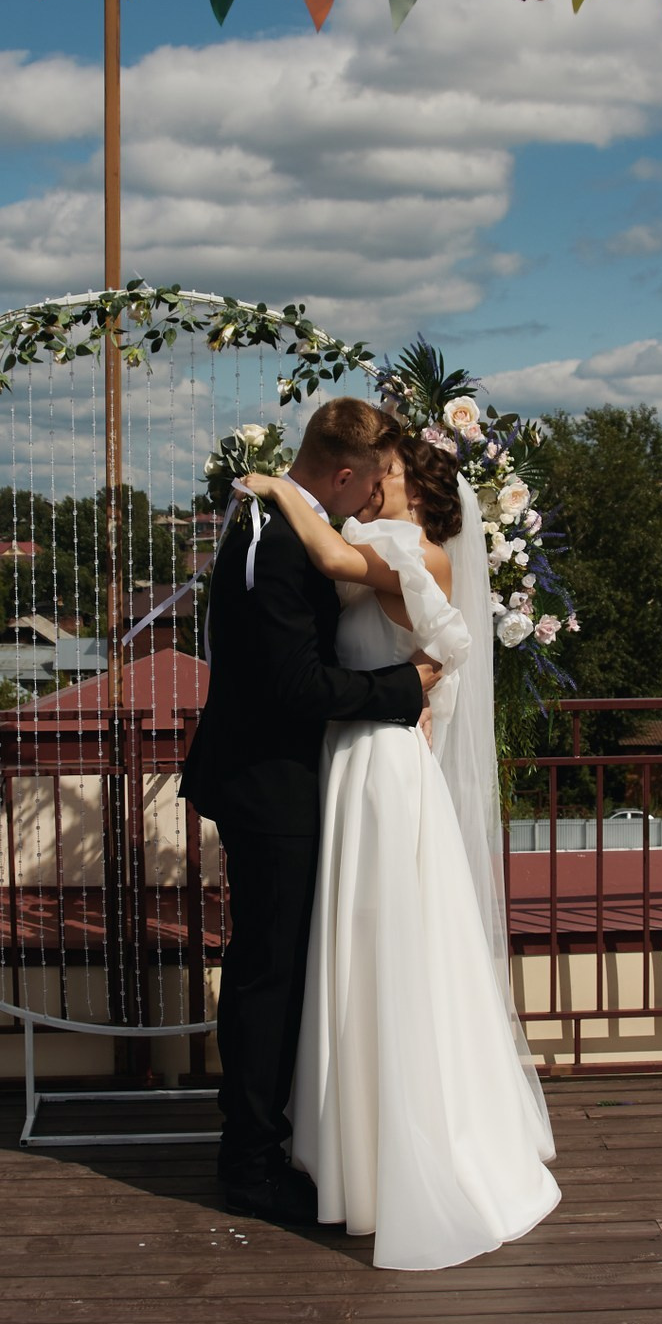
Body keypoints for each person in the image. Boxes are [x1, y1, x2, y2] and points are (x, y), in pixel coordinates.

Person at [237, 428, 559, 1270]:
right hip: (353, 754)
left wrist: (279, 488)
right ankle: (350, 1149)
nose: (374, 482)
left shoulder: (408, 552)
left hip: (377, 763)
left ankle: (386, 1158)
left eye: (387, 471)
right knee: (356, 949)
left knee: (383, 952)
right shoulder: (380, 539)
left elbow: (337, 565)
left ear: (412, 482)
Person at [180, 398, 442, 1226]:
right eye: (372, 480)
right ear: (341, 474)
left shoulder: (281, 521)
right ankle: (250, 1163)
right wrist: (408, 688)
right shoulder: (277, 538)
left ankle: (281, 1140)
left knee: (287, 967)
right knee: (269, 973)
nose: (374, 496)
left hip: (287, 776)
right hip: (271, 786)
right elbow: (295, 686)